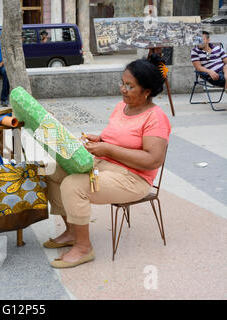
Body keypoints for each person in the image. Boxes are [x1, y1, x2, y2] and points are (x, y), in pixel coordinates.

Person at [45, 54, 171, 269]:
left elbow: (152, 160)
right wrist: (100, 140)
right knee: (53, 171)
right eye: (122, 83)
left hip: (132, 178)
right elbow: (120, 139)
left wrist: (109, 149)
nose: (123, 89)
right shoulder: (121, 107)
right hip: (103, 166)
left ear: (147, 91)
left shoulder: (155, 117)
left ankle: (84, 248)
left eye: (130, 86)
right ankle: (72, 231)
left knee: (74, 185)